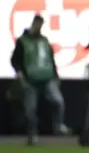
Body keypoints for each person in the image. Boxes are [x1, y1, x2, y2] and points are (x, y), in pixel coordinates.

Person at [10, 14, 70, 145]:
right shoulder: (22, 41)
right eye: (38, 24)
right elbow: (15, 60)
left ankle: (58, 125)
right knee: (30, 110)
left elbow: (50, 58)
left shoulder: (44, 40)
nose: (39, 27)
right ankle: (32, 135)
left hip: (47, 78)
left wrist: (55, 74)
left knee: (58, 101)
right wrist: (20, 74)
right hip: (30, 80)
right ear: (33, 24)